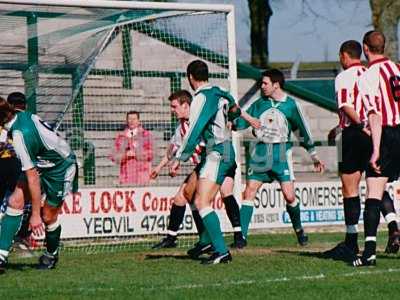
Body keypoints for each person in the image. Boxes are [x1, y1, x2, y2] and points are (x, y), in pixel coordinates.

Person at [151, 89, 258, 252]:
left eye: (174, 107)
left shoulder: (202, 116)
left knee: (222, 193)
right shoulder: (182, 127)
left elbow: (231, 108)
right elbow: (173, 150)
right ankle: (181, 238)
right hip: (208, 162)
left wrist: (243, 120)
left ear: (186, 106)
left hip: (223, 157)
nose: (172, 111)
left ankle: (235, 237)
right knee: (186, 197)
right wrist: (158, 168)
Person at [325, 40, 400, 262]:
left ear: (344, 56)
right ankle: (394, 226)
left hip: (357, 133)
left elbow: (347, 106)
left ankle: (352, 242)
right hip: (381, 133)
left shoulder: (345, 76)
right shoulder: (376, 71)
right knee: (377, 183)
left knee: (350, 188)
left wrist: (360, 126)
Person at [234, 69, 324, 246]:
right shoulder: (260, 103)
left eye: (265, 83)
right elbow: (242, 122)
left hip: (281, 154)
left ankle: (299, 231)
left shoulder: (291, 105)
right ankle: (241, 238)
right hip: (260, 153)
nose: (262, 86)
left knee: (289, 196)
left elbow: (302, 131)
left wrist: (313, 155)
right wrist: (233, 120)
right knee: (249, 191)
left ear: (276, 85)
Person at [169, 60, 243, 264]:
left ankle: (221, 250)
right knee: (193, 195)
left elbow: (193, 130)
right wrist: (235, 122)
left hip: (217, 151)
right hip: (225, 149)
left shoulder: (201, 98)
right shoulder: (221, 91)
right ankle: (206, 242)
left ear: (190, 77)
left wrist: (179, 158)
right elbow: (236, 112)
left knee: (202, 202)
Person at [0, 97, 77, 273]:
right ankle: (1, 255)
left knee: (47, 216)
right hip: (41, 163)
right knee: (15, 201)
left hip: (60, 167)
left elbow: (32, 178)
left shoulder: (20, 136)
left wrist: (35, 215)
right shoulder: (16, 114)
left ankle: (51, 254)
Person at [353, 31, 400, 267]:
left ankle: (368, 253)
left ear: (365, 48)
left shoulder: (369, 74)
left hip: (388, 133)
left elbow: (374, 114)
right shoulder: (396, 68)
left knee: (373, 193)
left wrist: (376, 149)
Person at [110, 111, 153, 185]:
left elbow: (151, 154)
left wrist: (136, 154)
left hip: (141, 176)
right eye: (130, 119)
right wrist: (125, 155)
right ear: (126, 121)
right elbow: (114, 156)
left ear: (139, 121)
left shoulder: (146, 135)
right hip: (126, 177)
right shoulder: (121, 137)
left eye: (134, 119)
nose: (132, 121)